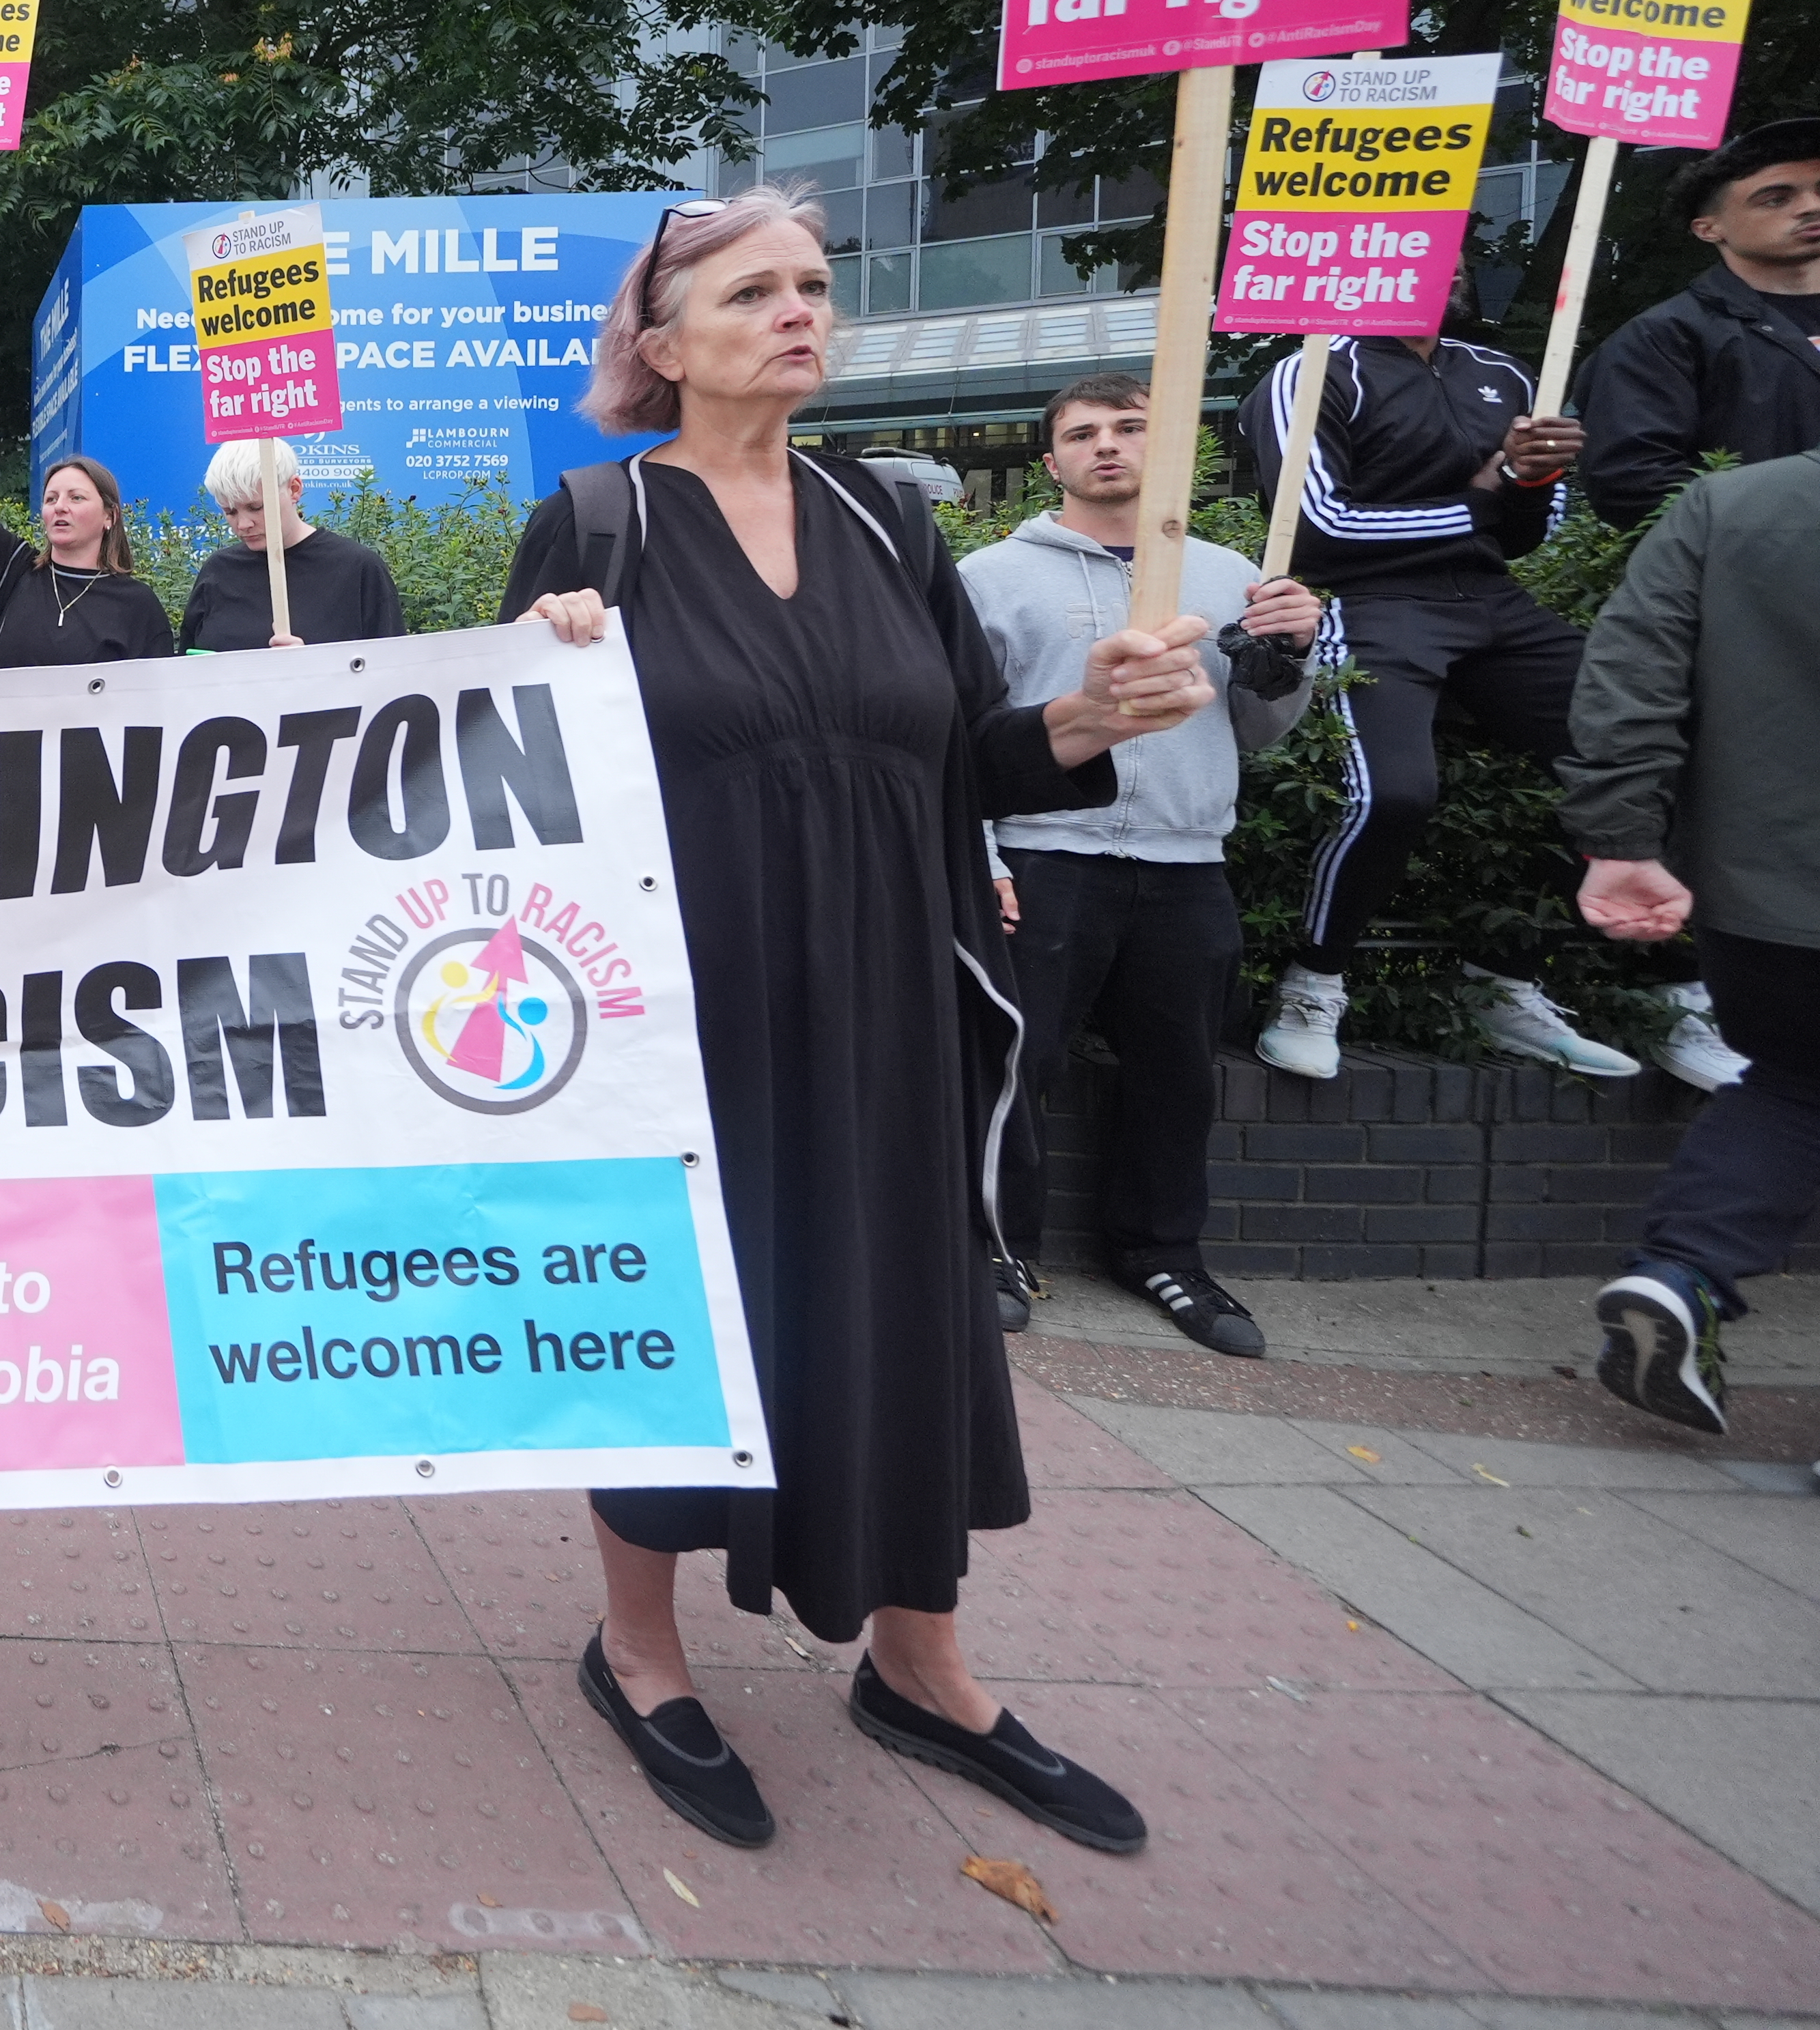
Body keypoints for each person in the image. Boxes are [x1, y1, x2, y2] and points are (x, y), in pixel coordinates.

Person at [506, 187, 1206, 1859]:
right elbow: (500, 779)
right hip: (691, 1009)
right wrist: (526, 662)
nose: (801, 311)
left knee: (903, 1304)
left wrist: (1085, 717)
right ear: (662, 345)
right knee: (685, 1310)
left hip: (896, 993)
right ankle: (641, 1647)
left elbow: (971, 757)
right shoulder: (596, 523)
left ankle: (921, 1661)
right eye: (754, 290)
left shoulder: (892, 519)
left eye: (816, 285)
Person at [1230, 291, 1736, 1089]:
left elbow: (1532, 530)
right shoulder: (1313, 369)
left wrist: (1528, 482)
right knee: (1393, 794)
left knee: (1656, 759)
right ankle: (1312, 984)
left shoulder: (1502, 372)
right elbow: (1321, 526)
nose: (1448, 264)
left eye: (1460, 249)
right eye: (1425, 241)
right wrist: (1481, 496)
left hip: (1495, 599)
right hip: (1365, 600)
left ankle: (1547, 983)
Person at [958, 373, 1324, 1356]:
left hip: (1186, 858)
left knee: (1178, 1076)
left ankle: (1164, 1253)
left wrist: (1289, 663)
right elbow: (962, 741)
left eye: (1129, 428)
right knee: (1011, 1066)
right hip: (1043, 854)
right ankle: (995, 1248)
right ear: (1052, 462)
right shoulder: (990, 578)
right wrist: (982, 854)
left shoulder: (1236, 578)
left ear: (1165, 453)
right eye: (1082, 434)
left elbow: (1259, 734)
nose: (1107, 446)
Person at [1560, 440, 1820, 1446]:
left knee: (1796, 1081)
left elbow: (1629, 672)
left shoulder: (1735, 505)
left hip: (1765, 895)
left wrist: (1622, 839)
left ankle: (1683, 1277)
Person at [1578, 117, 1820, 526]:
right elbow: (1632, 486)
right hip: (1762, 581)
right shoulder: (1662, 339)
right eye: (1775, 198)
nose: (1811, 206)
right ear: (1709, 229)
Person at [0, 356, 177, 668]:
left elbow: (156, 702)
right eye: (51, 498)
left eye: (77, 498)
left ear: (110, 516)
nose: (60, 507)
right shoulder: (11, 570)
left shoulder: (138, 606)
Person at [177, 444, 404, 650]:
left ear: (294, 489)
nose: (243, 524)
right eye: (230, 512)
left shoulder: (357, 568)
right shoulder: (218, 571)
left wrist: (308, 667)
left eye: (256, 507)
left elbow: (392, 671)